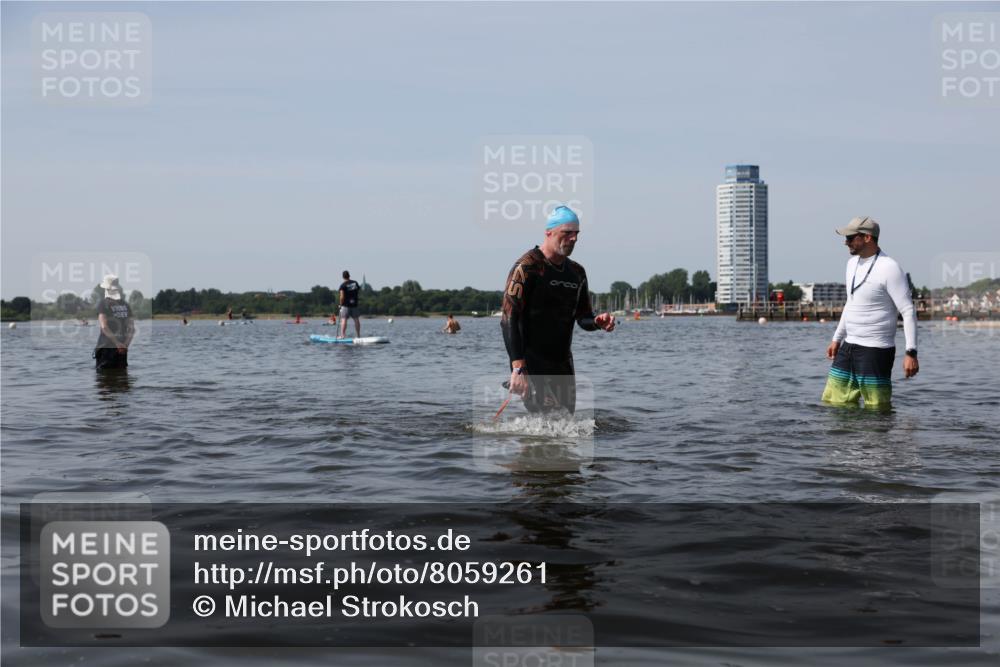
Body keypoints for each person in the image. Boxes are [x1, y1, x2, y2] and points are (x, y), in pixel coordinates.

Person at [501, 205, 615, 414]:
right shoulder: (527, 267)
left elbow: (583, 317)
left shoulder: (577, 272)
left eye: (577, 233)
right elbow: (509, 318)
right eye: (567, 232)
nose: (574, 238)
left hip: (562, 364)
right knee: (550, 419)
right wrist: (518, 367)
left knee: (565, 424)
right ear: (549, 232)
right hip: (530, 363)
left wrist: (596, 322)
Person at [822, 216, 918, 409]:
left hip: (876, 350)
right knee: (833, 404)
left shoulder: (889, 267)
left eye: (850, 237)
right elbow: (851, 303)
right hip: (849, 346)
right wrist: (837, 338)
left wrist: (911, 352)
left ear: (867, 237)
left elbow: (908, 311)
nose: (846, 242)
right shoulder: (851, 264)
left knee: (877, 410)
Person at [94, 275, 134, 370]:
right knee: (122, 376)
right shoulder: (125, 305)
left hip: (106, 347)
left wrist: (117, 344)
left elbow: (104, 327)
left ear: (106, 289)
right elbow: (132, 329)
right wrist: (125, 345)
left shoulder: (103, 304)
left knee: (105, 377)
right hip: (122, 349)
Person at [338, 270, 361, 339]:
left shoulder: (342, 285)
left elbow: (342, 297)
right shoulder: (355, 283)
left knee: (344, 319)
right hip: (354, 304)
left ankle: (342, 335)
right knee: (356, 319)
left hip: (345, 305)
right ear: (349, 275)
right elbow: (357, 291)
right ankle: (358, 335)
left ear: (343, 277)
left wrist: (340, 304)